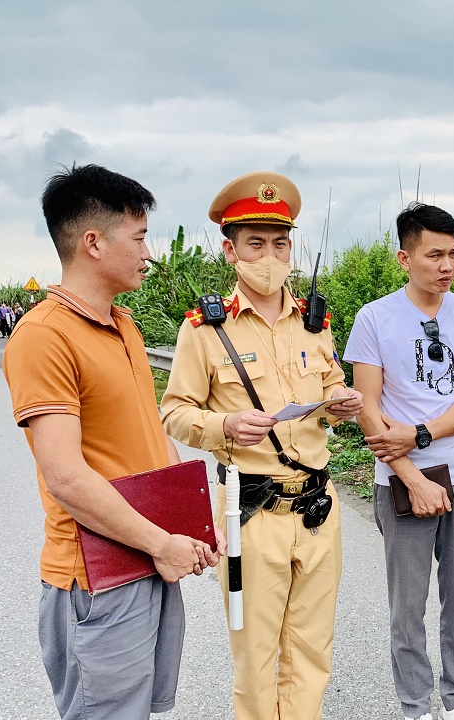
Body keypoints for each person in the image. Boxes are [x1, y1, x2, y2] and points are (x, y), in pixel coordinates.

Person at [2, 163, 224, 720]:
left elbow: (146, 435)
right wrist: (161, 541)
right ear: (93, 242)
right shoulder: (44, 336)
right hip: (97, 575)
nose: (150, 252)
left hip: (148, 557)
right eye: (141, 237)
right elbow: (67, 478)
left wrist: (187, 528)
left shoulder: (122, 324)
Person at [160, 171, 364, 720]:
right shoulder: (205, 329)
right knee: (255, 656)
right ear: (230, 251)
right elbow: (174, 412)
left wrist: (341, 401)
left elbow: (329, 387)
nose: (269, 256)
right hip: (251, 511)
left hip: (319, 509)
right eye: (255, 243)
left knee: (312, 652)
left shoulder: (313, 324)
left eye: (279, 243)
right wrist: (224, 427)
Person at [344, 202, 454, 720]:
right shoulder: (375, 317)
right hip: (401, 478)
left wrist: (423, 432)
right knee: (407, 607)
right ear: (404, 257)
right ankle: (416, 705)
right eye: (434, 255)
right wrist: (410, 475)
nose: (447, 266)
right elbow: (368, 406)